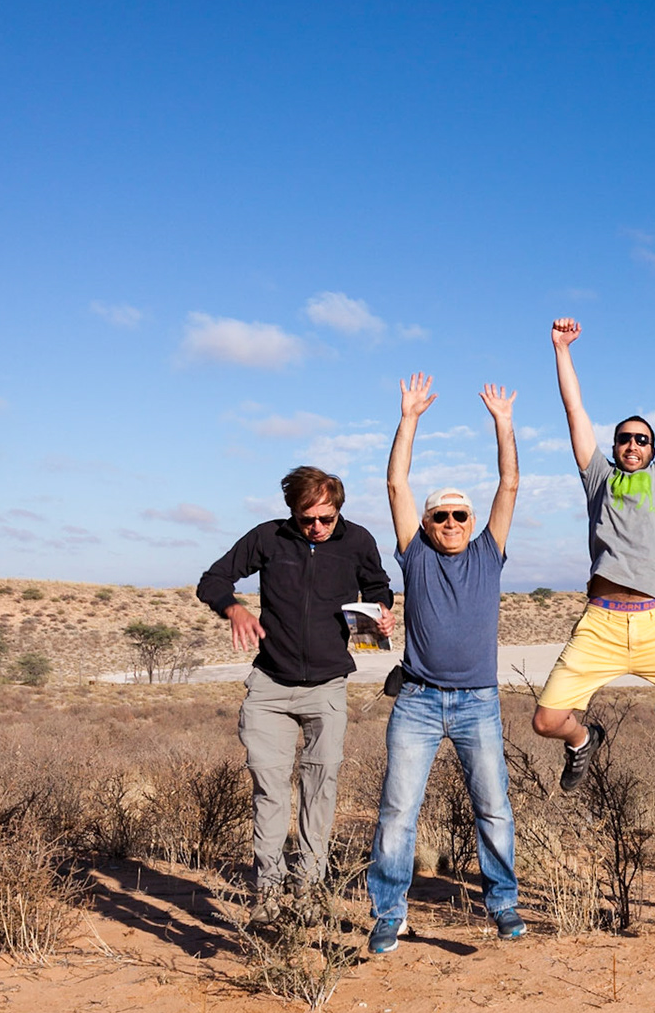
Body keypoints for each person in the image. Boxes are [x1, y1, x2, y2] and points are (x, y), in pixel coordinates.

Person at [366, 373, 524, 955]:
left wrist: (503, 424)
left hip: (478, 703)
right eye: (443, 517)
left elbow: (509, 484)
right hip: (418, 701)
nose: (453, 524)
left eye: (461, 515)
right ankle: (389, 913)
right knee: (397, 811)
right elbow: (395, 482)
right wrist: (408, 418)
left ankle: (503, 903)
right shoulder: (416, 556)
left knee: (494, 808)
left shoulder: (489, 551)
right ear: (427, 525)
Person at [197, 466, 395, 923]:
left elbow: (378, 586)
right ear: (293, 513)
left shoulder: (358, 540)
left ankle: (308, 893)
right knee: (270, 791)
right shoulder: (268, 538)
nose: (318, 528)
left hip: (327, 687)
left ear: (338, 510)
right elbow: (212, 580)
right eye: (308, 520)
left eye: (326, 518)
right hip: (269, 687)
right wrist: (234, 608)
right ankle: (267, 897)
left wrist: (383, 613)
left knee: (319, 791)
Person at [531, 318, 655, 785]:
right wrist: (561, 349)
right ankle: (582, 740)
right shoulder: (599, 478)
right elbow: (574, 410)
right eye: (625, 439)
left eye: (642, 439)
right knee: (546, 721)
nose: (633, 444)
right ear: (613, 447)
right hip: (601, 624)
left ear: (652, 449)